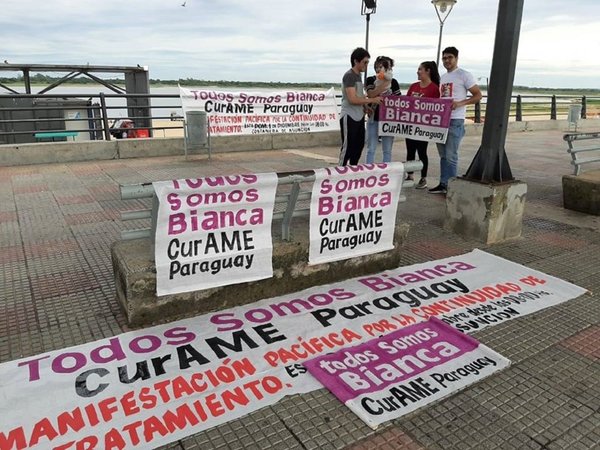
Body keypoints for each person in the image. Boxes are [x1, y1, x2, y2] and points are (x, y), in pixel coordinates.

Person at [429, 47, 482, 194]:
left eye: (450, 57)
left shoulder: (464, 75)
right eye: (444, 58)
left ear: (456, 58)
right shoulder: (443, 77)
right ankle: (443, 183)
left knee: (451, 155)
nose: (447, 60)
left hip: (455, 120)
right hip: (441, 121)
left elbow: (478, 95)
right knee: (443, 155)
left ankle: (452, 187)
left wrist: (460, 103)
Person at [338, 47, 382, 166]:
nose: (366, 65)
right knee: (347, 147)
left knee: (358, 146)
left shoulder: (358, 76)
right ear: (356, 61)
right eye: (364, 62)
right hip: (349, 115)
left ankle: (353, 169)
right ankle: (340, 171)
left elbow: (359, 95)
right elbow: (352, 99)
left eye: (367, 62)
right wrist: (372, 100)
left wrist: (365, 107)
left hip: (359, 115)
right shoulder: (349, 76)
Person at [405, 61, 441, 189]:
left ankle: (423, 178)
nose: (418, 72)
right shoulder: (413, 86)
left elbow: (437, 107)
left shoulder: (434, 89)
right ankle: (409, 175)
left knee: (422, 152)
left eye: (420, 69)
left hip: (423, 127)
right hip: (410, 125)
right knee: (410, 151)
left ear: (428, 71)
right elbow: (405, 103)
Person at [365, 56, 401, 164]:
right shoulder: (371, 80)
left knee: (387, 150)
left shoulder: (394, 82)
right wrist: (385, 83)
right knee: (371, 149)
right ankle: (369, 169)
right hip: (374, 118)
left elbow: (399, 101)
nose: (379, 69)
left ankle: (386, 170)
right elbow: (371, 94)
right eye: (377, 66)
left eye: (382, 67)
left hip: (388, 120)